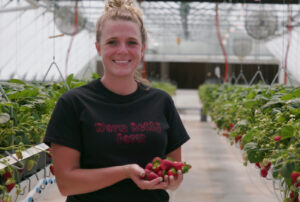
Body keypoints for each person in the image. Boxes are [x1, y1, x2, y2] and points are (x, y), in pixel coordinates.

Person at [43, 0, 190, 201]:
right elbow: (66, 183)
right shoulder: (73, 104)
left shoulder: (161, 102)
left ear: (142, 49)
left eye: (132, 42)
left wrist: (172, 180)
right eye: (112, 42)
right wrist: (125, 172)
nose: (122, 50)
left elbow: (174, 167)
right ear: (98, 48)